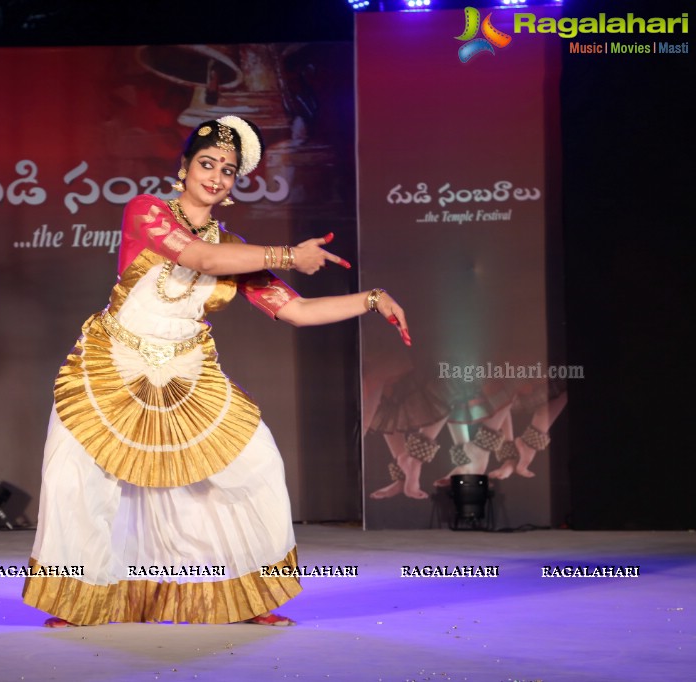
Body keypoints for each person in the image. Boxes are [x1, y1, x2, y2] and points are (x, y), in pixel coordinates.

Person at [22, 116, 410, 627]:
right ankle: (76, 601)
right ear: (184, 168)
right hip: (115, 364)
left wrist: (372, 299)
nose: (216, 176)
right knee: (79, 478)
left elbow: (297, 310)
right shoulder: (146, 211)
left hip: (187, 373)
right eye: (207, 164)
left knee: (257, 465)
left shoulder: (234, 247)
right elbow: (195, 254)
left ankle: (245, 594)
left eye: (228, 170)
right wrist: (290, 254)